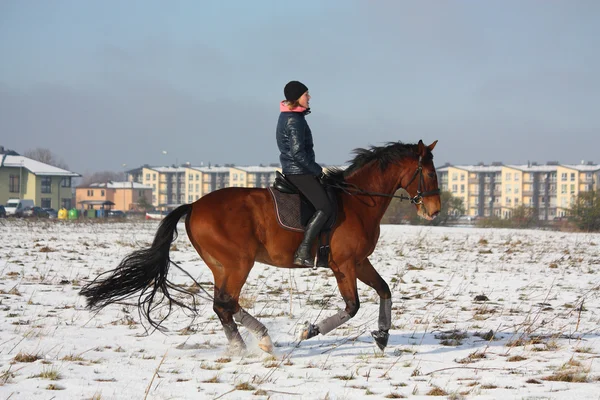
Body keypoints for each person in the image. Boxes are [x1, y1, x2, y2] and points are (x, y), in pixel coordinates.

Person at [276, 81, 333, 267]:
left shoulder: (291, 116)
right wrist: (318, 171)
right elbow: (298, 153)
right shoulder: (294, 119)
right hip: (299, 171)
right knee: (325, 207)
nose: (309, 97)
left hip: (296, 170)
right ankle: (304, 250)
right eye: (306, 94)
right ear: (296, 98)